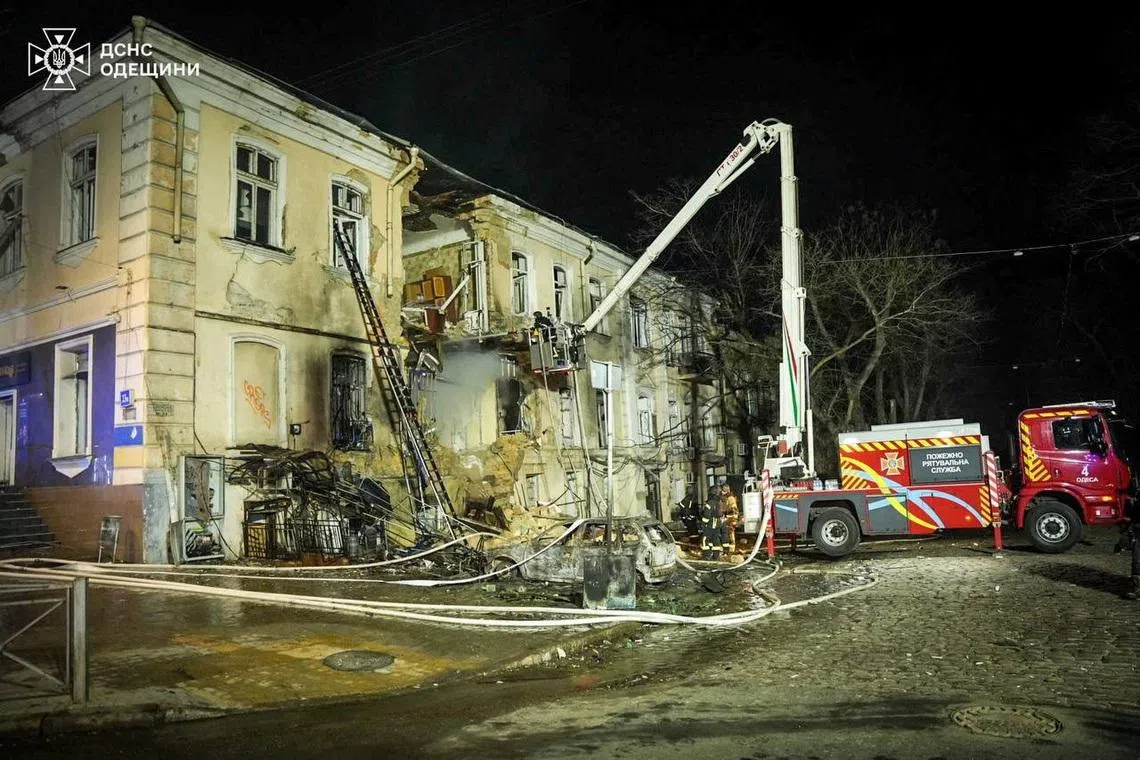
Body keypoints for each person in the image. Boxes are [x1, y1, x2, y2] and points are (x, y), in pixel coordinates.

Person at [700, 489, 723, 561]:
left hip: (710, 525)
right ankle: (716, 556)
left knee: (704, 539)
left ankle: (706, 556)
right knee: (715, 540)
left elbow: (706, 515)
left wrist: (703, 524)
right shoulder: (719, 502)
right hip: (717, 525)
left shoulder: (709, 504)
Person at [719, 481, 740, 554]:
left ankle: (730, 548)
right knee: (727, 533)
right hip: (728, 517)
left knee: (730, 533)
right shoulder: (726, 497)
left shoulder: (730, 498)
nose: (721, 492)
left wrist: (725, 514)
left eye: (722, 490)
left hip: (730, 518)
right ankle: (728, 548)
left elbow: (733, 509)